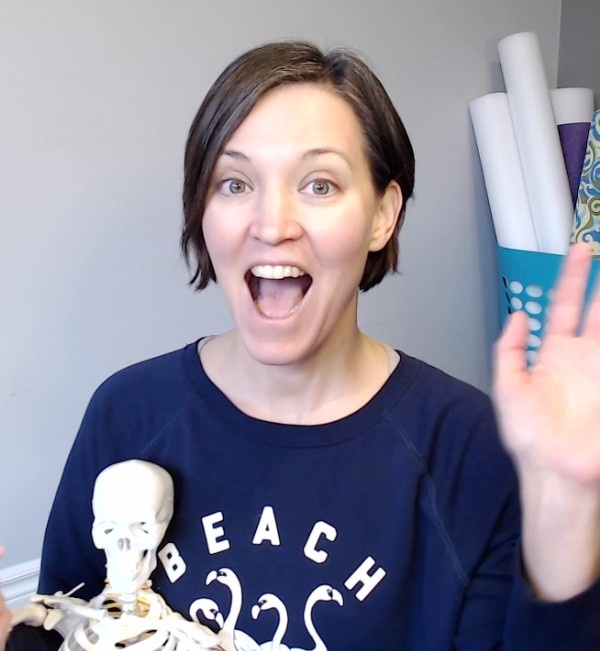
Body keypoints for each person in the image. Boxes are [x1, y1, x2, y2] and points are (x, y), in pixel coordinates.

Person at [2, 40, 600, 650]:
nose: (272, 225)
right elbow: (67, 630)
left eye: (319, 185)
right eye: (235, 183)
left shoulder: (466, 444)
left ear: (382, 215)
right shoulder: (128, 412)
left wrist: (571, 505)